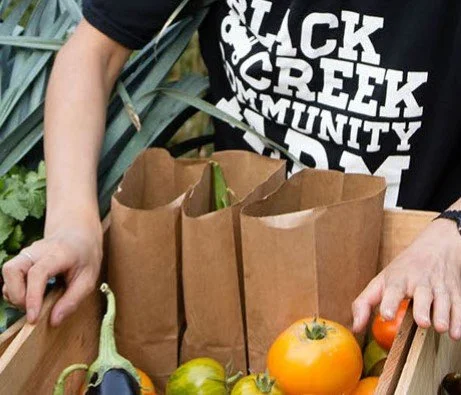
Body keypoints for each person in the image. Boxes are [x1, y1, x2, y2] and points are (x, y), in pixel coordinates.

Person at [2, 0, 461, 340]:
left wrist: (452, 234)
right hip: (237, 271)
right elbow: (92, 53)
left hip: (412, 287)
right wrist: (72, 222)